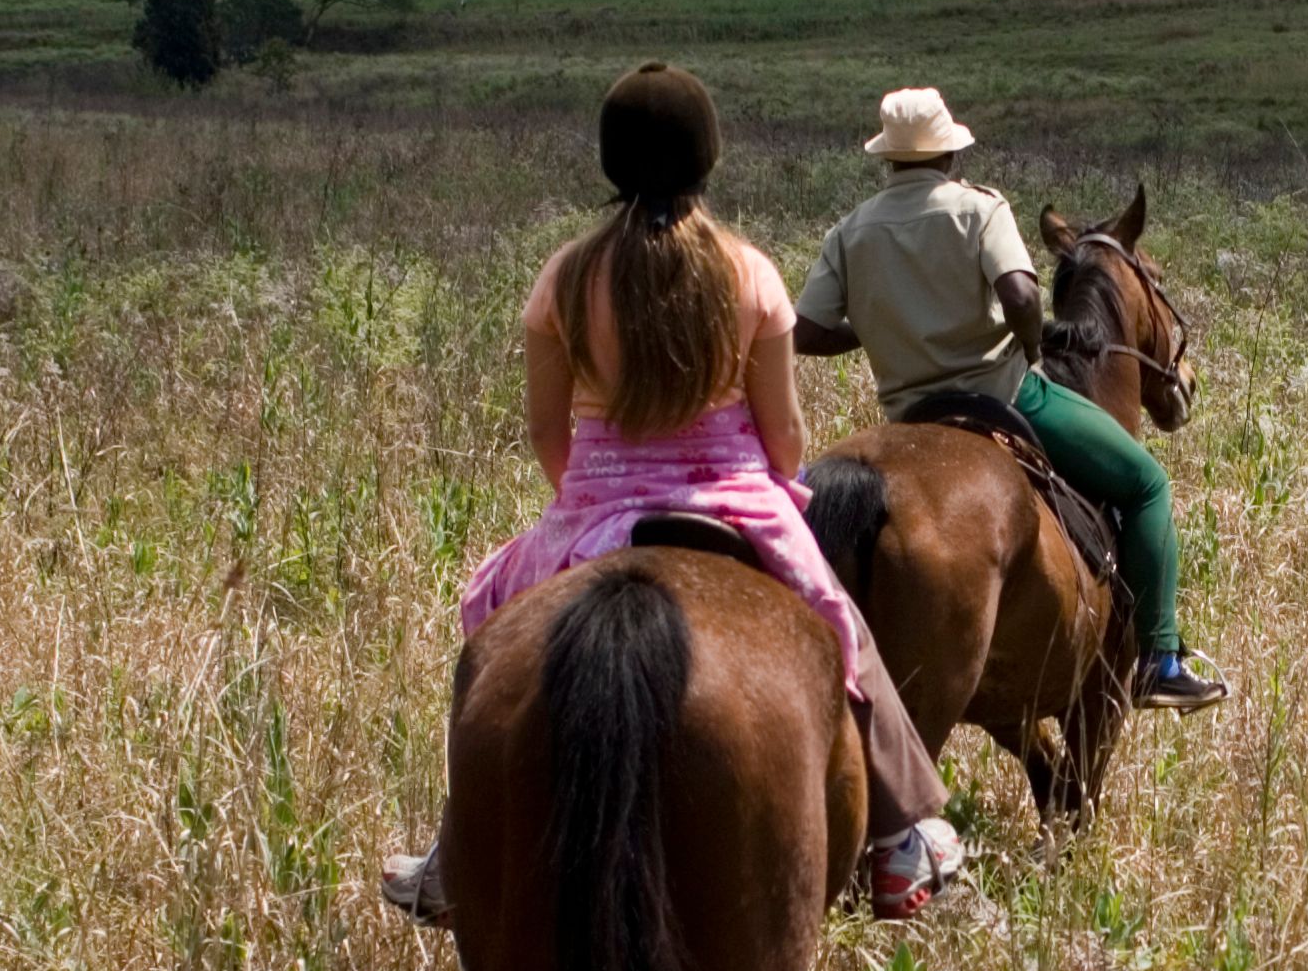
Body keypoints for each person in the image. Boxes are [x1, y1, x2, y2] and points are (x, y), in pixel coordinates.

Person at [385, 64, 965, 922]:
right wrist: (775, 485)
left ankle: (458, 849)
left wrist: (588, 497)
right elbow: (786, 434)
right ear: (708, 158)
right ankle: (898, 841)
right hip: (737, 497)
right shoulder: (750, 274)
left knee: (488, 632)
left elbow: (546, 431)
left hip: (594, 504)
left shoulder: (564, 278)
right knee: (841, 631)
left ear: (610, 161)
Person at [792, 88, 1228, 709]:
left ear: (887, 156)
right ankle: (1160, 660)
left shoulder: (851, 231)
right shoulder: (980, 208)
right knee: (1147, 484)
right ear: (949, 152)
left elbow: (806, 332)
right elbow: (1022, 295)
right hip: (1006, 395)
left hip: (911, 415)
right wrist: (1028, 349)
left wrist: (878, 325)